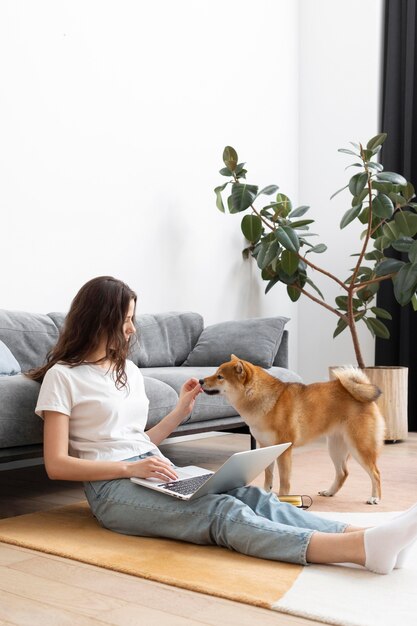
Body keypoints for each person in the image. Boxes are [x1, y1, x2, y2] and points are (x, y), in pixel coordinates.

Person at [28, 276, 417, 575]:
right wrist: (132, 468)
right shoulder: (63, 377)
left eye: (132, 319)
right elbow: (57, 465)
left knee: (252, 497)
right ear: (99, 320)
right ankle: (360, 552)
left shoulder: (126, 369)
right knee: (221, 515)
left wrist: (180, 411)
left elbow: (135, 440)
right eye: (125, 320)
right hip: (111, 491)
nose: (131, 329)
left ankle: (360, 535)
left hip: (155, 470)